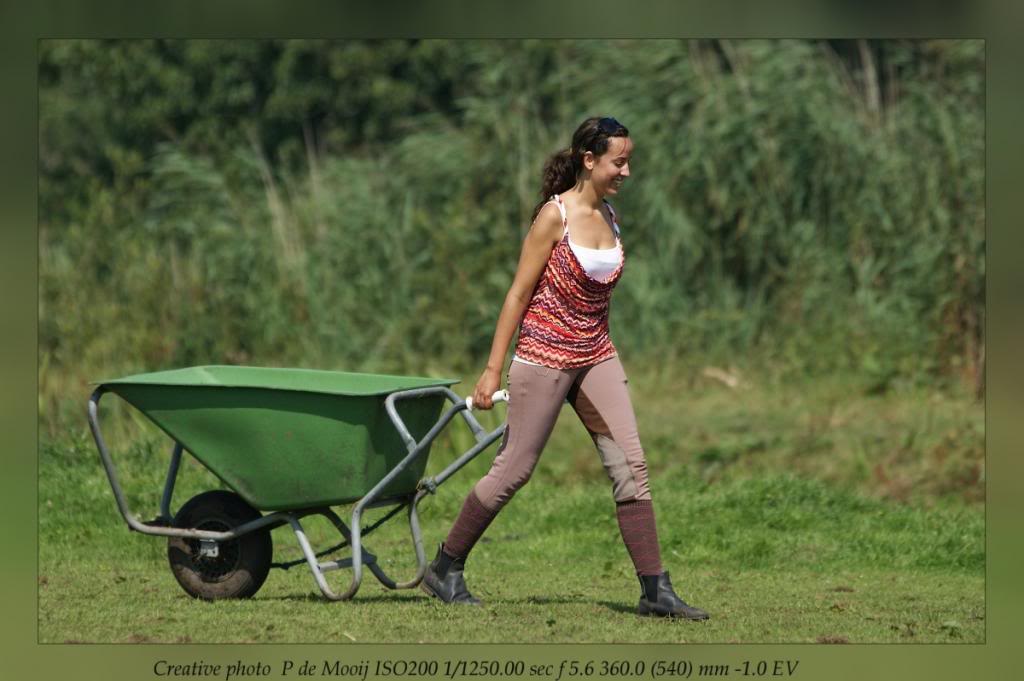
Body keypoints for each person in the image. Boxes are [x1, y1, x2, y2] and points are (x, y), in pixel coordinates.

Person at [421, 116, 709, 620]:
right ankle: (445, 567)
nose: (627, 170)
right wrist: (492, 371)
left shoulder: (612, 216)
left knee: (630, 465)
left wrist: (599, 350)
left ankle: (654, 590)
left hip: (595, 353)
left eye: (629, 160)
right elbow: (518, 293)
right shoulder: (554, 217)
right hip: (544, 355)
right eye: (619, 161)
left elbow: (597, 298)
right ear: (589, 159)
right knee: (514, 471)